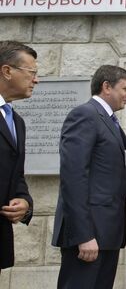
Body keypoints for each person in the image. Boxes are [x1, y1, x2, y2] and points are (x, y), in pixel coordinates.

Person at [52, 65, 126, 289]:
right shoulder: (85, 115)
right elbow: (73, 177)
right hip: (89, 236)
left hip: (107, 234)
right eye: (124, 88)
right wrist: (83, 235)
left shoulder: (111, 122)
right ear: (106, 86)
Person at [0, 41, 38, 273]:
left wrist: (25, 203)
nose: (36, 79)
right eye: (31, 72)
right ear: (7, 71)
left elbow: (16, 176)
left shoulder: (17, 121)